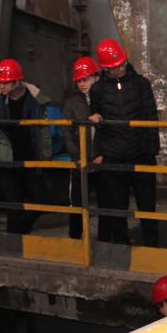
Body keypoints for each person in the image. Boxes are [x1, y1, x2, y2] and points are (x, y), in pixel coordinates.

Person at [87, 39, 160, 246]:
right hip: (114, 156)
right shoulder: (98, 89)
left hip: (141, 154)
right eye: (115, 67)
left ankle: (152, 247)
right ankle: (122, 248)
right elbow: (97, 119)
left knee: (147, 207)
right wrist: (99, 150)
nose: (120, 68)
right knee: (117, 208)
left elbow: (151, 117)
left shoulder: (141, 84)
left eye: (122, 64)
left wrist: (152, 150)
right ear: (105, 68)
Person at [0, 58, 53, 234]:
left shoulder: (34, 98)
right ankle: (14, 241)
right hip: (7, 159)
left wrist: (45, 155)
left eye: (5, 83)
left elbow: (43, 129)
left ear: (16, 82)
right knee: (14, 205)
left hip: (31, 157)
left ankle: (23, 230)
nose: (1, 86)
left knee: (41, 201)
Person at [63, 56, 100, 240]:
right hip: (80, 159)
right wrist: (76, 156)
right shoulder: (72, 102)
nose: (82, 84)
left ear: (96, 77)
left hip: (101, 159)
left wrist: (103, 155)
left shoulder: (105, 98)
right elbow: (67, 132)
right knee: (77, 201)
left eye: (85, 79)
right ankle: (75, 237)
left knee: (107, 201)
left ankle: (107, 238)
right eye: (79, 81)